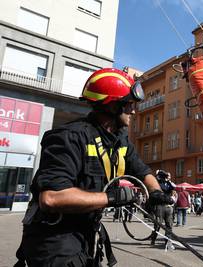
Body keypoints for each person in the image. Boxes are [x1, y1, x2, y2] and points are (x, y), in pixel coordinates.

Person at [14, 68, 173, 267]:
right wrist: (111, 198)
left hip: (86, 232)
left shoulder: (120, 142)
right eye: (128, 105)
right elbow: (51, 198)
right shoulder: (70, 137)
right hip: (54, 239)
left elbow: (143, 171)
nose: (133, 110)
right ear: (112, 106)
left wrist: (155, 192)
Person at [150, 170, 175, 247]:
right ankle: (153, 239)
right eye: (164, 176)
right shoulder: (158, 183)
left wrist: (169, 181)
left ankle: (167, 241)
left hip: (168, 206)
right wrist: (159, 176)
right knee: (158, 224)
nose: (165, 178)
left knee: (169, 225)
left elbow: (173, 188)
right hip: (160, 206)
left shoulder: (167, 183)